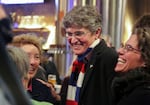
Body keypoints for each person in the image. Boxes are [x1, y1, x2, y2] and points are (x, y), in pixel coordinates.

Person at [61, 5, 118, 105]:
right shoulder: (80, 61)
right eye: (69, 34)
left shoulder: (109, 58)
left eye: (79, 34)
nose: (73, 40)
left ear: (97, 32)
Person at [111, 14, 150, 105]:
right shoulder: (127, 88)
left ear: (146, 59)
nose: (119, 51)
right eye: (123, 46)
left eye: (129, 48)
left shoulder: (143, 96)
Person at [11, 34, 58, 104]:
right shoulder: (4, 88)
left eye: (37, 57)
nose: (32, 62)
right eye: (26, 56)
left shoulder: (45, 89)